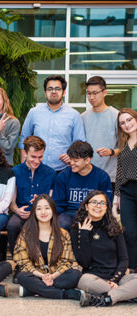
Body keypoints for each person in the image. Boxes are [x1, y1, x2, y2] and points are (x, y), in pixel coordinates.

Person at [70, 191, 137, 307]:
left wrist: (115, 280)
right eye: (94, 202)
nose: (98, 206)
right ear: (86, 206)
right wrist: (84, 235)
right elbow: (84, 263)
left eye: (102, 203)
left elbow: (124, 259)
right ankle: (126, 295)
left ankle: (107, 298)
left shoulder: (113, 226)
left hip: (118, 278)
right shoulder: (77, 228)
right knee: (83, 280)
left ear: (106, 208)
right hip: (94, 279)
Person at [13, 194, 82, 300]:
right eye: (39, 209)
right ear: (34, 212)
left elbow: (66, 261)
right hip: (36, 274)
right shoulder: (26, 233)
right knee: (22, 276)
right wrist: (42, 276)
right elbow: (23, 261)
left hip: (57, 275)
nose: (43, 212)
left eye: (47, 208)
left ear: (53, 211)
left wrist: (52, 276)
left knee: (75, 274)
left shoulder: (63, 234)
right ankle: (64, 294)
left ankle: (34, 290)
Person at [19, 75, 86, 172]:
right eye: (50, 89)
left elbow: (80, 143)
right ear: (45, 92)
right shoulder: (34, 112)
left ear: (63, 92)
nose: (53, 91)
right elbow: (23, 140)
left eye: (57, 89)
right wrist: (24, 166)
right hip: (37, 168)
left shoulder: (74, 115)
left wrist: (71, 156)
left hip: (63, 170)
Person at [7, 136, 57, 258]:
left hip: (43, 214)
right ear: (25, 153)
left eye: (40, 157)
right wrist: (17, 210)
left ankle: (43, 259)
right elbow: (11, 202)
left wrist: (41, 204)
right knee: (13, 225)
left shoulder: (50, 173)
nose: (37, 161)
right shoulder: (15, 171)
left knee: (46, 225)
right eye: (33, 157)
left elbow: (52, 201)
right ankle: (18, 259)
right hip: (21, 213)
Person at [52, 141, 113, 231]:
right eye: (70, 159)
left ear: (87, 160)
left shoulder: (102, 177)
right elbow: (58, 204)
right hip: (69, 213)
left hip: (93, 213)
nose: (71, 163)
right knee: (62, 222)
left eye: (75, 161)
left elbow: (107, 204)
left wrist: (95, 216)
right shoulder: (63, 176)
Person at [81, 76, 119, 186]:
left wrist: (111, 152)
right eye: (88, 93)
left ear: (104, 92)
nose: (91, 97)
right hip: (86, 175)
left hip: (109, 176)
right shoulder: (83, 117)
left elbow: (126, 148)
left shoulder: (116, 116)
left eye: (95, 93)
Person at [113, 108, 137, 271]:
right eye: (122, 123)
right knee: (129, 234)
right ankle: (133, 271)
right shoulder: (123, 145)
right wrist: (116, 199)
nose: (127, 124)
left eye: (129, 120)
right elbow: (120, 174)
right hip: (127, 192)